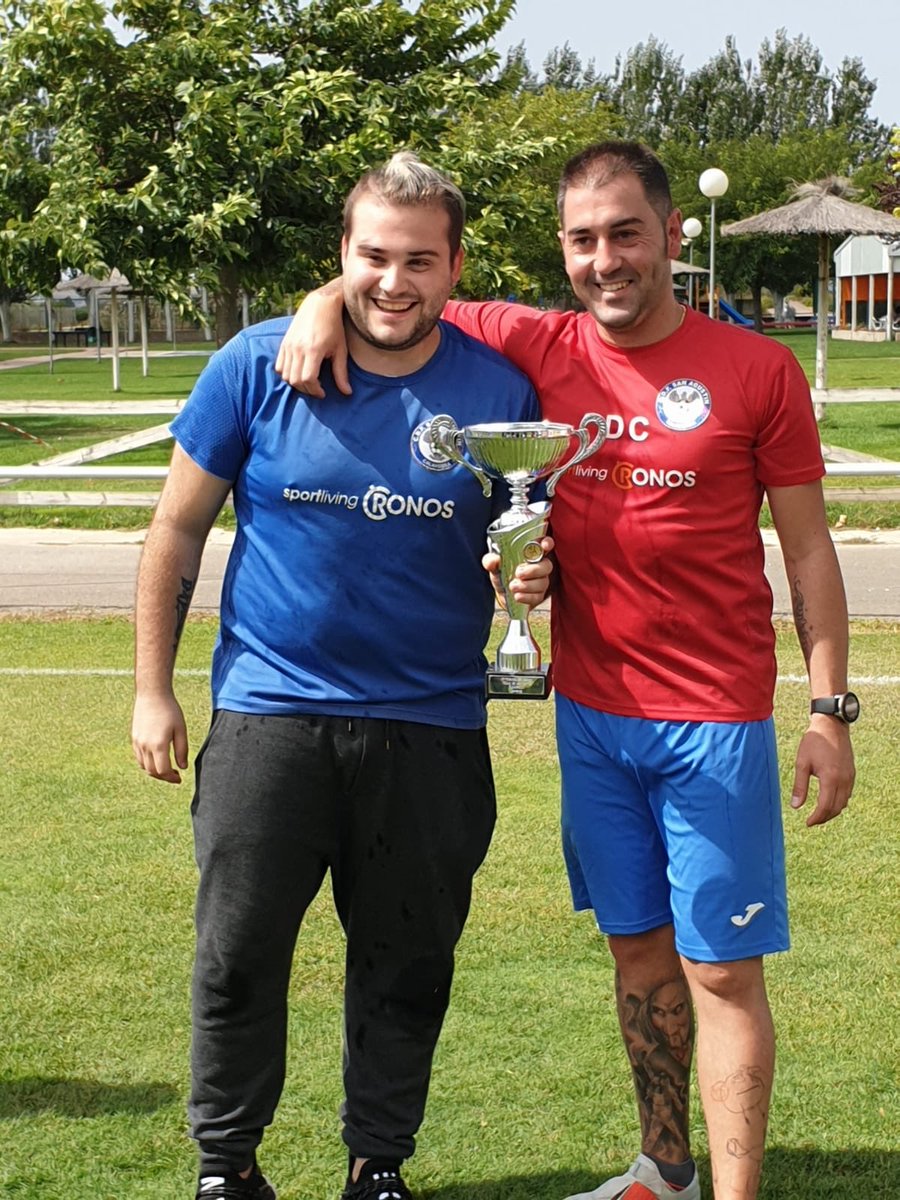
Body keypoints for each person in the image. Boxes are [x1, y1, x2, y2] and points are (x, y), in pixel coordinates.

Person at [275, 140, 857, 1200]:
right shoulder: (539, 343)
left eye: (626, 234)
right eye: (583, 240)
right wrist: (320, 302)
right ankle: (664, 1168)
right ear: (563, 248)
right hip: (589, 714)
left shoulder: (756, 369)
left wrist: (828, 708)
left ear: (671, 237)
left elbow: (809, 549)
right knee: (637, 954)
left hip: (715, 720)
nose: (605, 260)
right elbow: (399, 281)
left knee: (721, 970)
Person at [131, 151, 554, 1200]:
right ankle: (228, 1168)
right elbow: (176, 528)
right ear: (343, 256)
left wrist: (529, 576)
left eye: (420, 260)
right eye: (373, 257)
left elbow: (526, 539)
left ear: (455, 267)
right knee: (237, 958)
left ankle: (379, 1165)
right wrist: (152, 688)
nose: (393, 282)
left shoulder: (499, 392)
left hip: (432, 725)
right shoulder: (255, 364)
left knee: (406, 966)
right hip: (270, 716)